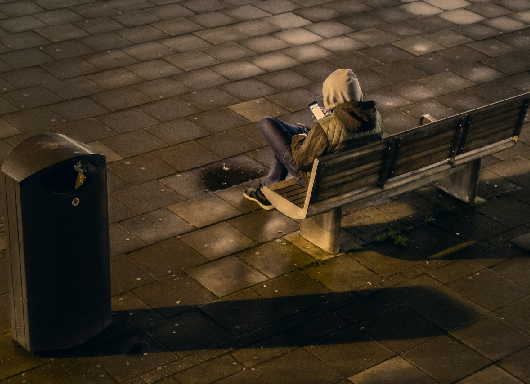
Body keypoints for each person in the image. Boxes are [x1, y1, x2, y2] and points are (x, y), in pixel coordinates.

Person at [244, 69, 383, 210]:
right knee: (295, 133)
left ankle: (266, 192)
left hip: (320, 183)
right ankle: (267, 189)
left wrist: (303, 137)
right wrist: (330, 118)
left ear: (331, 94)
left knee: (267, 123)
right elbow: (348, 135)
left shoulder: (325, 127)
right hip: (355, 178)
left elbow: (303, 162)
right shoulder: (375, 118)